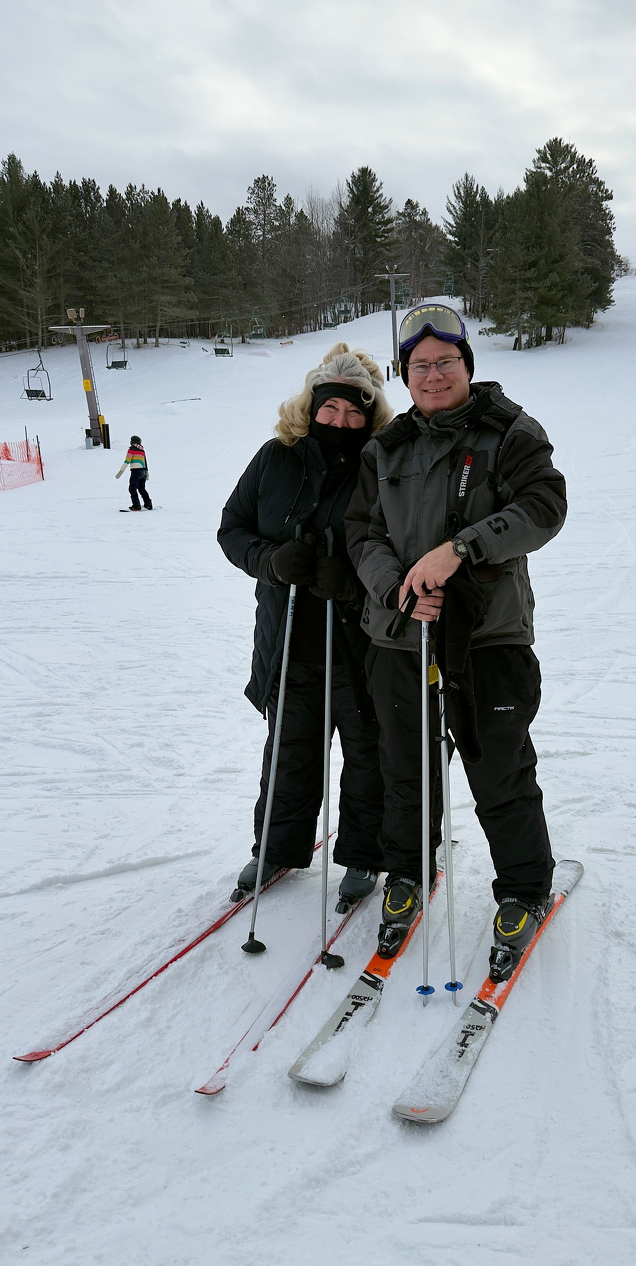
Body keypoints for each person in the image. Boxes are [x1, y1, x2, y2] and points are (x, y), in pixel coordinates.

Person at [345, 304, 567, 978]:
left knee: (498, 767)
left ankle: (524, 887)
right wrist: (400, 585)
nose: (434, 374)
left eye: (446, 361)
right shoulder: (384, 449)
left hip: (488, 636)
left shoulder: (510, 432)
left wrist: (459, 550)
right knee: (403, 768)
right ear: (405, 376)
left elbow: (543, 506)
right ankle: (409, 872)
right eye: (421, 365)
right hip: (399, 635)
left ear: (467, 365)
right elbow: (361, 531)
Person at [217, 344, 392, 905]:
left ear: (370, 416)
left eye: (354, 412)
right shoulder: (276, 458)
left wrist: (351, 576)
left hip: (360, 640)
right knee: (289, 750)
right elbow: (233, 528)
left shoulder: (380, 464)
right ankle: (275, 849)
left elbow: (399, 546)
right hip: (290, 636)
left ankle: (365, 854)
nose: (340, 421)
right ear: (311, 405)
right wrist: (270, 561)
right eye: (330, 409)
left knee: (368, 752)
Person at [116, 435, 152, 510]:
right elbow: (145, 462)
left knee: (132, 488)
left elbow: (127, 461)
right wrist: (147, 473)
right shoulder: (142, 450)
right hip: (143, 471)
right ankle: (148, 504)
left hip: (136, 471)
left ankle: (136, 505)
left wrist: (121, 471)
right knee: (142, 489)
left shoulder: (131, 449)